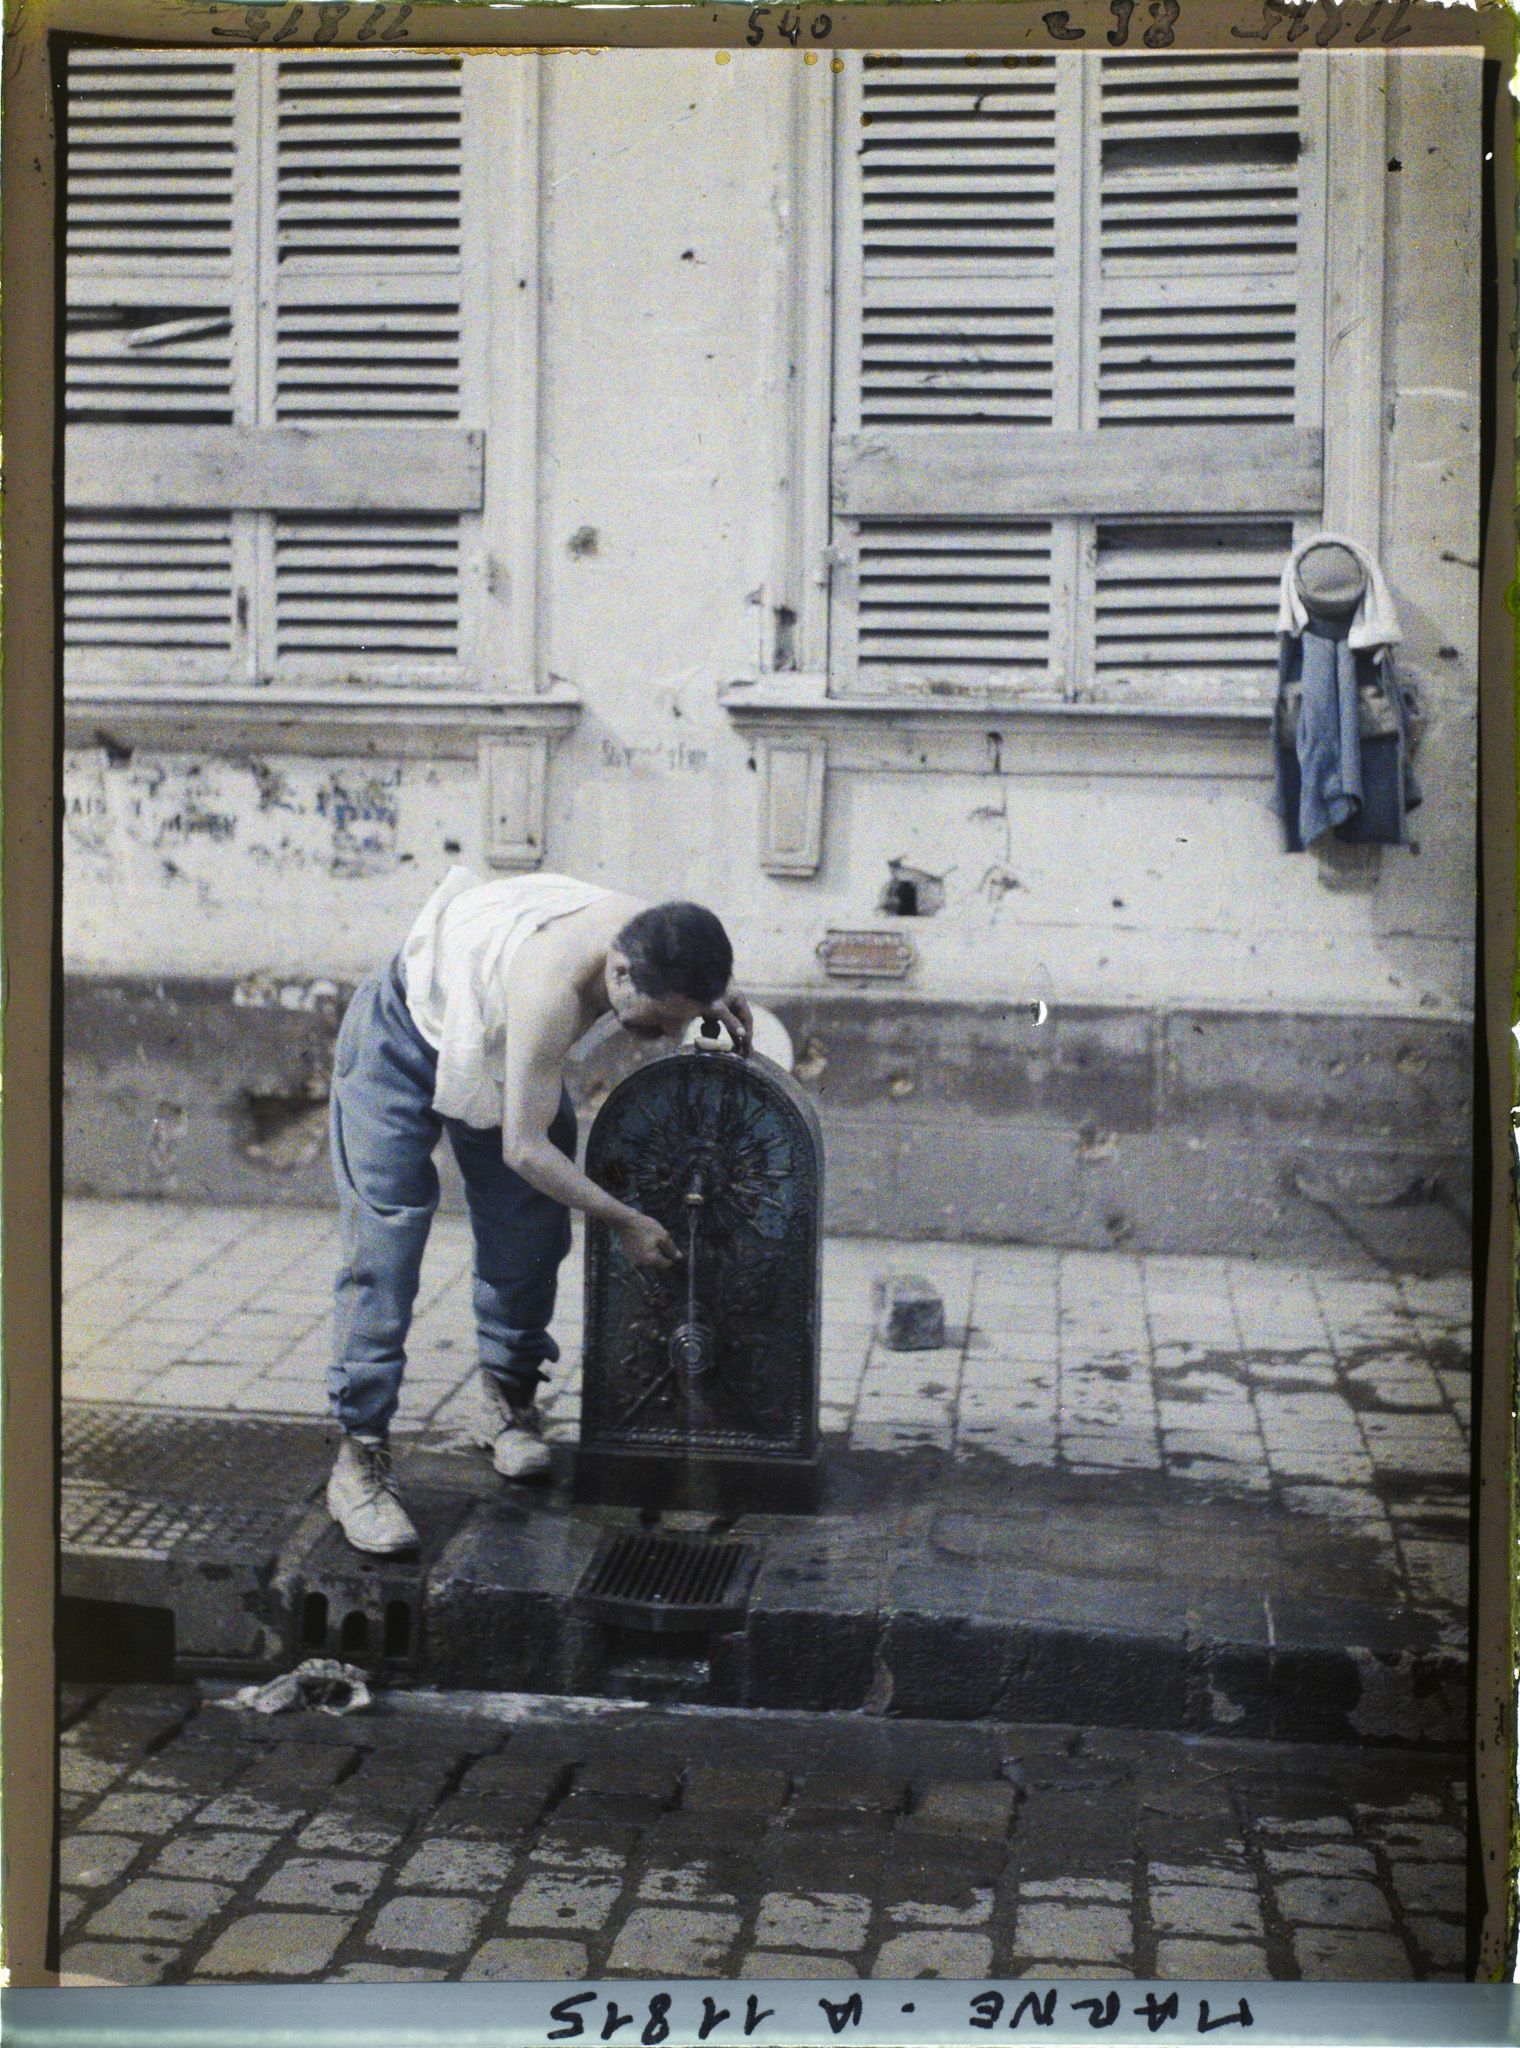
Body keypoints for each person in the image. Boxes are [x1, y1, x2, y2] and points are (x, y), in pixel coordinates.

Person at [324, 867, 753, 1555]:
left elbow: (687, 967)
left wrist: (715, 998)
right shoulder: (548, 990)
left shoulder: (655, 935)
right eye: (667, 1020)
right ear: (619, 973)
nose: (676, 1036)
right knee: (386, 1245)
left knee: (530, 1232)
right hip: (403, 1037)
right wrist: (623, 1219)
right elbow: (524, 1150)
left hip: (495, 1046)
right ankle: (359, 1456)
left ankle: (506, 1399)